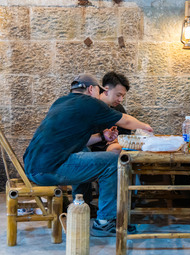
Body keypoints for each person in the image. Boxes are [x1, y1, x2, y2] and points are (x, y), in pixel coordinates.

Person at [23, 73, 153, 237]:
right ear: (91, 89)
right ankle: (105, 222)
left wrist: (102, 137)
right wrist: (147, 127)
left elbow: (77, 141)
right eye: (100, 92)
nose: (100, 96)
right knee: (113, 162)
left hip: (31, 166)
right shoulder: (89, 103)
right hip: (48, 169)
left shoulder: (60, 102)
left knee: (82, 151)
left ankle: (82, 203)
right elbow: (125, 121)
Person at [90, 71, 131, 153]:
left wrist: (117, 140)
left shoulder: (118, 108)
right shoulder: (91, 106)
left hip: (110, 147)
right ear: (106, 89)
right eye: (118, 95)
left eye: (123, 96)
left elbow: (126, 133)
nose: (121, 100)